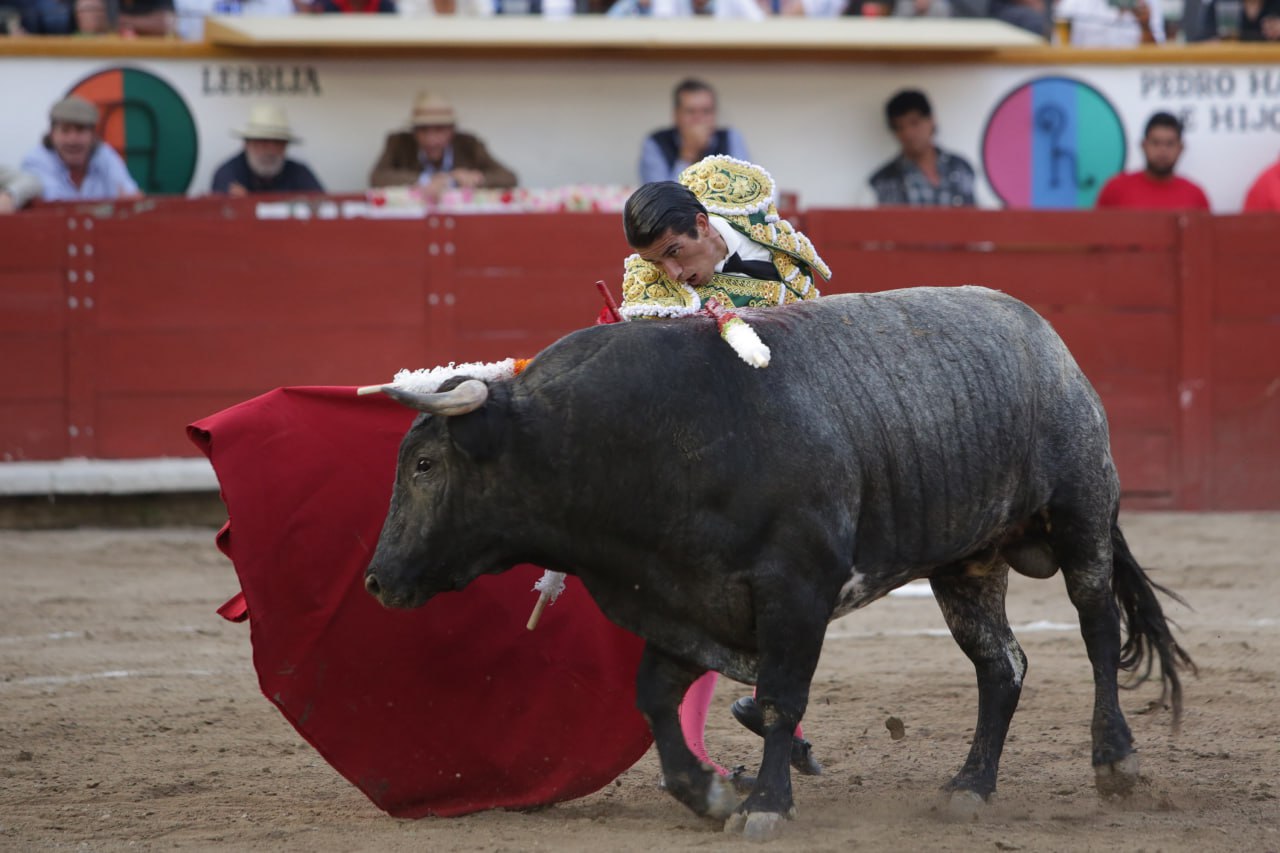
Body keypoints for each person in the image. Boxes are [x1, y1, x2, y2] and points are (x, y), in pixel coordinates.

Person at [618, 155, 830, 777]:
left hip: (784, 436)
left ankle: (776, 710)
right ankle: (697, 750)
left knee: (794, 580)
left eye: (676, 252)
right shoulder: (651, 284)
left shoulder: (757, 223)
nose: (671, 270)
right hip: (701, 449)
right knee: (703, 594)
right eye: (658, 260)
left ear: (706, 223)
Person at [368, 92, 518, 201]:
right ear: (414, 132)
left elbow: (509, 178)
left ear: (452, 131)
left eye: (439, 129)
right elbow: (377, 177)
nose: (431, 139)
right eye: (423, 130)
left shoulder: (469, 145)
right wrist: (427, 180)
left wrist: (474, 179)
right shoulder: (399, 143)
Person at [863, 89, 976, 208]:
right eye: (899, 127)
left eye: (914, 123)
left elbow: (985, 219)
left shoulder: (963, 169)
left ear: (931, 120)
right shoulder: (879, 183)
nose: (908, 133)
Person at [21, 96, 141, 203]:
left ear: (93, 135)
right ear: (52, 134)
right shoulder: (37, 160)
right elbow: (57, 207)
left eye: (80, 130)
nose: (72, 140)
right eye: (65, 130)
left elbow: (131, 198)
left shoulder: (104, 154)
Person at [638, 79, 751, 185]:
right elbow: (658, 199)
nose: (699, 119)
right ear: (676, 115)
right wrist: (688, 154)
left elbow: (743, 186)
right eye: (690, 112)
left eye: (706, 111)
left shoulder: (731, 138)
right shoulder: (656, 143)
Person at [1095, 112, 1210, 211]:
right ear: (1143, 145)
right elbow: (1097, 233)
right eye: (1156, 143)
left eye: (1169, 144)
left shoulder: (1195, 196)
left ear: (1181, 148)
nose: (1162, 150)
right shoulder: (1115, 189)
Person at [210, 103, 325, 196]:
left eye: (278, 143)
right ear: (246, 144)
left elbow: (323, 207)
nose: (271, 150)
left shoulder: (299, 173)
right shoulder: (229, 173)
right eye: (263, 142)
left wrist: (249, 200)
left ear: (285, 146)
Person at [1052, 0, 1164, 45]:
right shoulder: (1072, 5)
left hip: (1132, 84)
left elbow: (1159, 58)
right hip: (1088, 86)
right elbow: (1059, 54)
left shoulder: (1148, 3)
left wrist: (1145, 26)